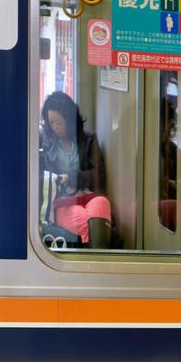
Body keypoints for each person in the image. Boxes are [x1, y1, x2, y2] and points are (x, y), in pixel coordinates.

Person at [40, 91, 112, 248]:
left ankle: (94, 252)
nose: (55, 127)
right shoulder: (46, 144)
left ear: (70, 119)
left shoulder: (89, 140)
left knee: (102, 202)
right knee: (84, 220)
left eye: (59, 122)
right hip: (62, 201)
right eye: (51, 123)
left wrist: (72, 177)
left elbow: (98, 176)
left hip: (89, 196)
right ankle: (95, 256)